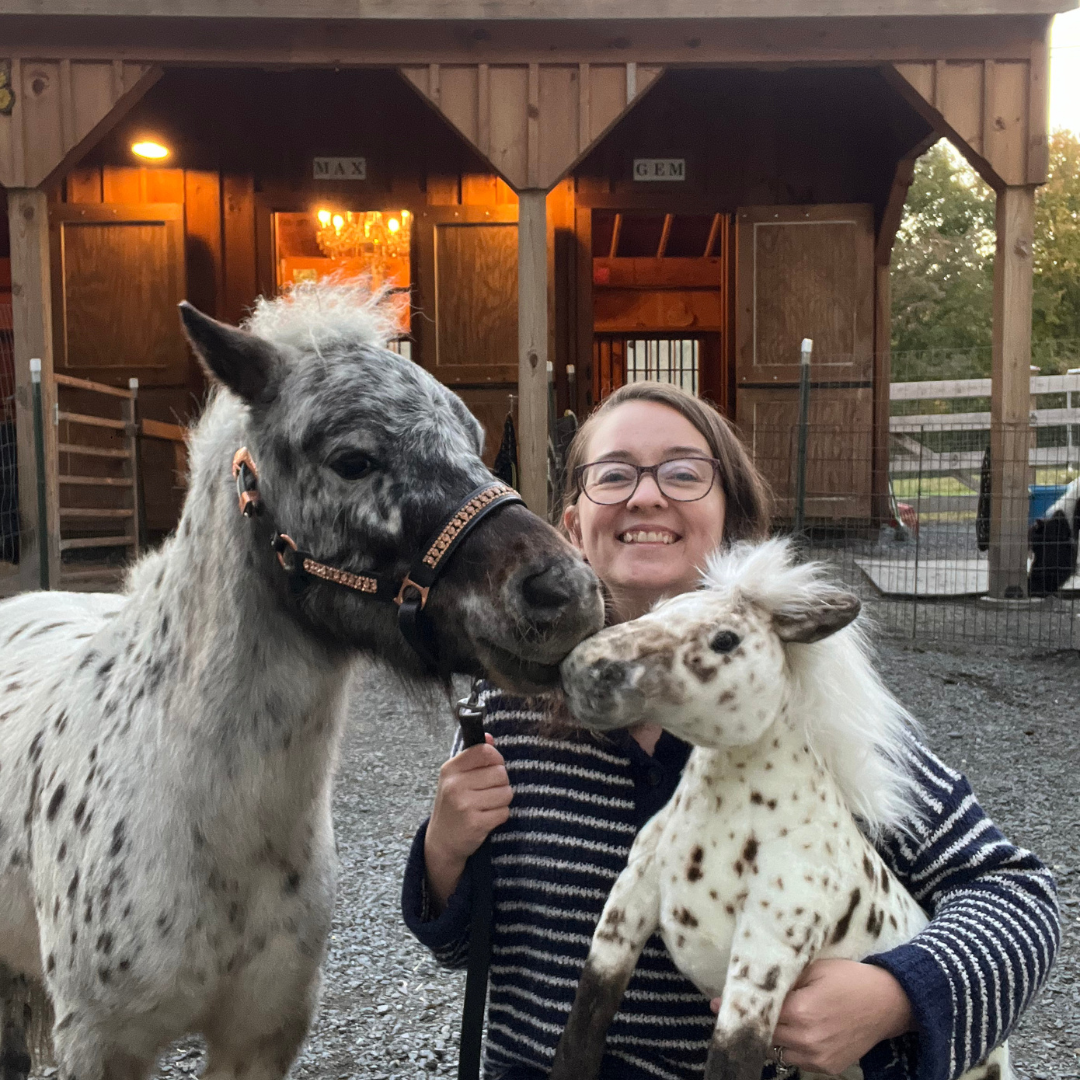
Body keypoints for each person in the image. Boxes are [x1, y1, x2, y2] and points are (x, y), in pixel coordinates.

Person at [402, 382, 1060, 1080]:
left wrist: (894, 993)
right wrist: (444, 853)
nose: (647, 495)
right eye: (614, 473)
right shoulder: (511, 711)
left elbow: (1015, 896)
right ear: (570, 529)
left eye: (683, 473)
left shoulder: (817, 706)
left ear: (733, 527)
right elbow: (466, 951)